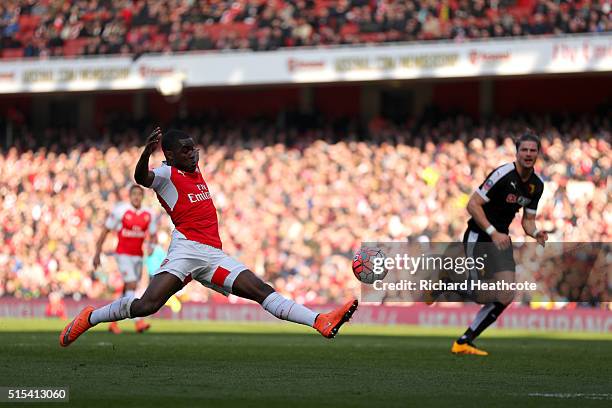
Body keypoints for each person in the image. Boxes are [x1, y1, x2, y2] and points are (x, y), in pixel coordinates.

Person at [60, 127, 358, 346]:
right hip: (187, 251)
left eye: (194, 148)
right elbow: (141, 178)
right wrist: (145, 153)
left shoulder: (192, 166)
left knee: (260, 290)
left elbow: (187, 152)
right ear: (171, 156)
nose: (193, 154)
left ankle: (320, 321)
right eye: (186, 151)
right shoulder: (165, 177)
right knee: (146, 306)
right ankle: (91, 317)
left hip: (214, 254)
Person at [451, 132, 548, 356]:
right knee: (478, 294)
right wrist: (493, 232)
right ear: (517, 152)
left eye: (533, 150)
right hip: (480, 234)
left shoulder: (537, 185)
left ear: (538, 154)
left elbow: (528, 221)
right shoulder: (503, 174)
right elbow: (473, 204)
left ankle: (464, 341)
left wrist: (536, 233)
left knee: (506, 294)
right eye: (524, 149)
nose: (528, 154)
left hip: (500, 240)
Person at [93, 184, 157, 334]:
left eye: (139, 194)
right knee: (132, 284)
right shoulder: (121, 210)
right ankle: (138, 322)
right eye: (133, 194)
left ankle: (113, 322)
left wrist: (152, 246)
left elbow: (153, 236)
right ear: (129, 196)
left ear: (142, 196)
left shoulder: (149, 213)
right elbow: (105, 231)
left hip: (138, 256)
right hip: (122, 254)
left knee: (127, 290)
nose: (136, 197)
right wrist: (97, 253)